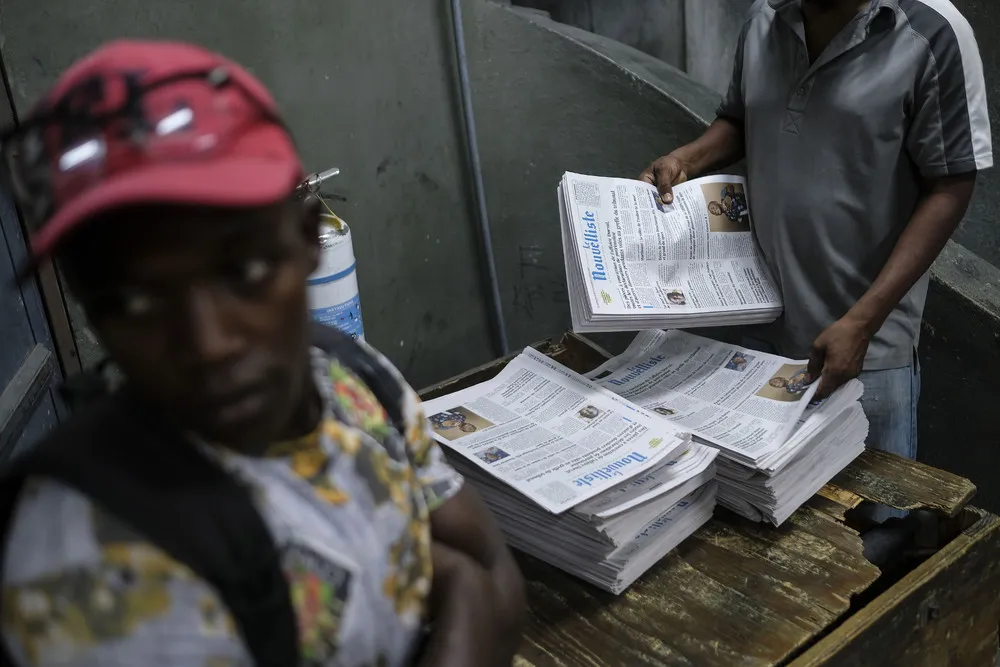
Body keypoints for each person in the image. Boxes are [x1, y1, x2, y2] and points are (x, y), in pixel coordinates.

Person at [0, 40, 525, 666]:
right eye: (135, 303)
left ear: (309, 243)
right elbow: (476, 580)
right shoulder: (92, 569)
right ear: (94, 315)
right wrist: (460, 585)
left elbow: (494, 571)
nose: (208, 342)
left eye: (243, 269)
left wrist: (465, 581)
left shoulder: (351, 380)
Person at [641, 0, 991, 516]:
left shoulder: (930, 32)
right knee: (767, 521)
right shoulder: (766, 17)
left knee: (874, 533)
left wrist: (863, 321)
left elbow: (952, 181)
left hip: (864, 346)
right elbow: (742, 116)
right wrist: (686, 158)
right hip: (758, 330)